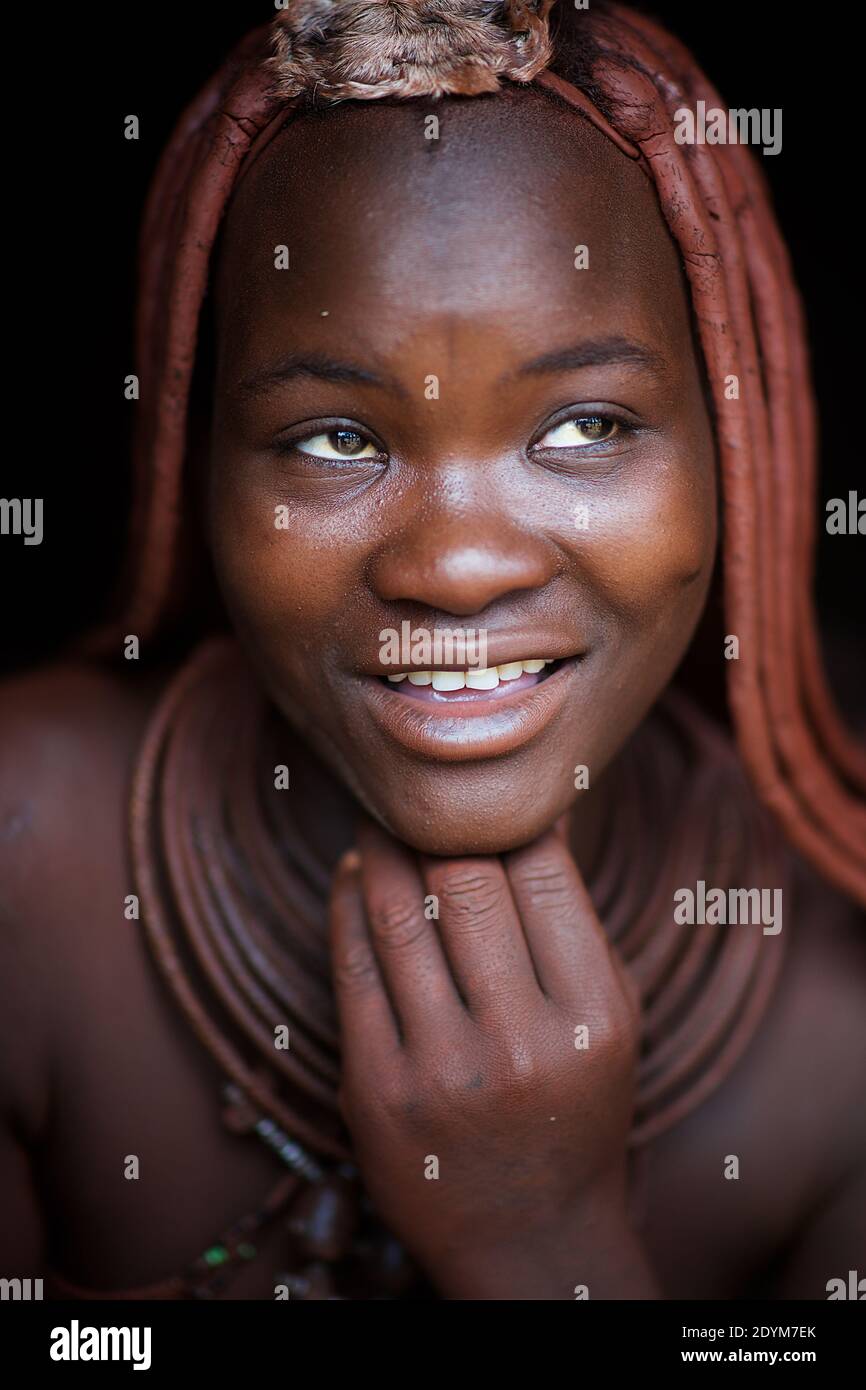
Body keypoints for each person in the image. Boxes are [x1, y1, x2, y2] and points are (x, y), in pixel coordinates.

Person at [1, 0, 863, 1300]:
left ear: (734, 461)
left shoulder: (836, 1032)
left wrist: (544, 1247)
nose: (455, 564)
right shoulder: (24, 856)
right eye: (334, 440)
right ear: (197, 478)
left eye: (582, 425)